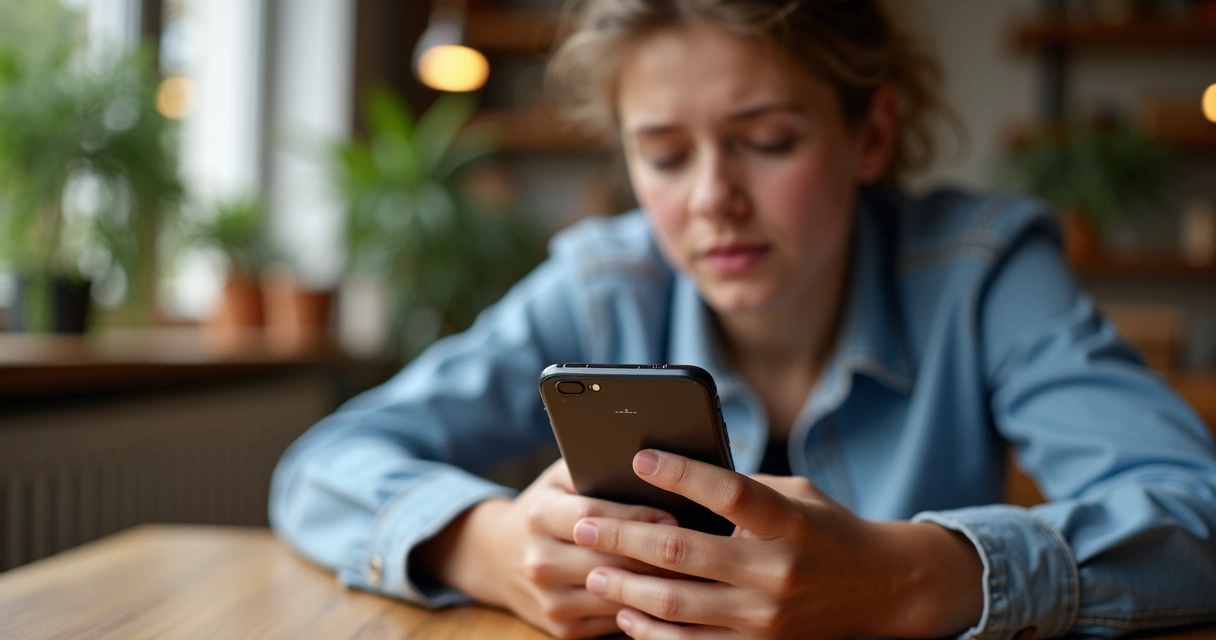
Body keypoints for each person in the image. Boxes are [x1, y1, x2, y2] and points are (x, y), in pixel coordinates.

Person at [269, 1, 1216, 638]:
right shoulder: (607, 281)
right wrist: (485, 546)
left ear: (871, 134)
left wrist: (911, 576)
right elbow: (322, 465)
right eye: (667, 156)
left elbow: (1195, 511)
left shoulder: (985, 271)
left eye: (768, 141)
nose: (713, 198)